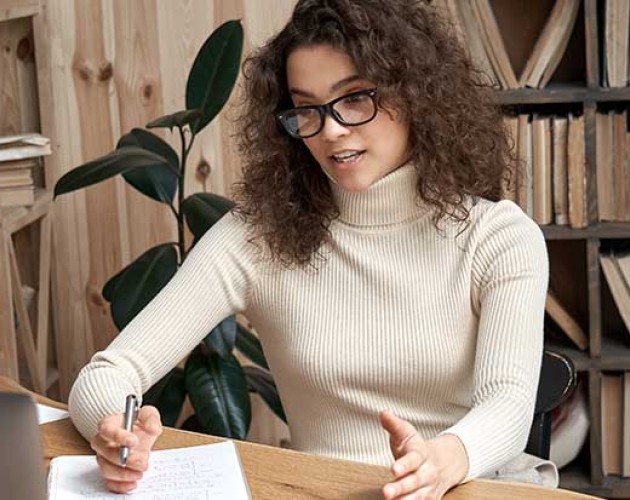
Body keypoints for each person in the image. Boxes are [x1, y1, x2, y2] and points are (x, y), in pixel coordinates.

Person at [68, 0, 556, 498]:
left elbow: (509, 404)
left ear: (414, 94)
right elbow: (108, 373)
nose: (331, 130)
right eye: (306, 109)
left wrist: (445, 459)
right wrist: (115, 432)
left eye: (355, 99)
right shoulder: (259, 235)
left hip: (458, 489)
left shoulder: (498, 238)